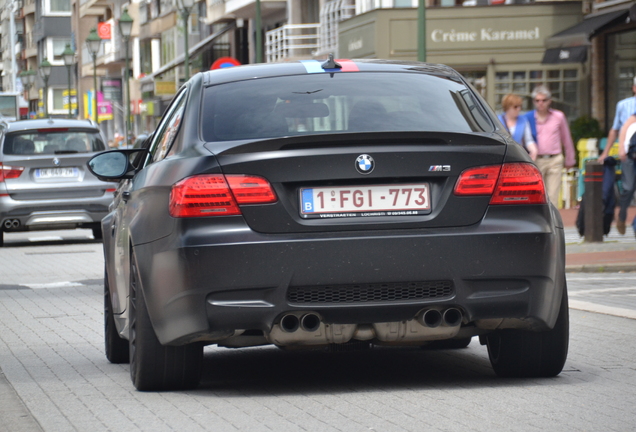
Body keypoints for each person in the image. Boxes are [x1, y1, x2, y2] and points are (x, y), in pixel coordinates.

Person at [525, 85, 576, 207]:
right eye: (537, 100)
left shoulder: (558, 116)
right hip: (536, 161)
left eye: (544, 100)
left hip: (555, 159)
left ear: (549, 101)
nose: (540, 103)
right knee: (536, 195)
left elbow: (566, 138)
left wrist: (570, 159)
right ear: (534, 102)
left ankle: (552, 224)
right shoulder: (528, 118)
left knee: (553, 196)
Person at [597, 77, 636, 234]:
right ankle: (622, 215)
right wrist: (607, 152)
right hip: (628, 152)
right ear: (633, 88)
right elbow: (616, 129)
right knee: (628, 187)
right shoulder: (623, 105)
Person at [498, 93, 538, 161]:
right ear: (507, 107)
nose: (519, 109)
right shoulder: (498, 120)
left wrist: (534, 150)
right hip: (502, 156)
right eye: (515, 107)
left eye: (520, 106)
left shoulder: (523, 120)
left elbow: (528, 140)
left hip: (518, 157)